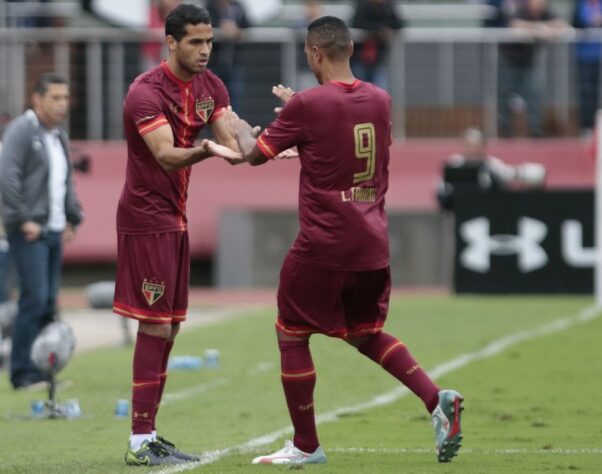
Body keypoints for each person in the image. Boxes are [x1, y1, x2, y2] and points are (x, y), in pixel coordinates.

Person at [204, 16, 464, 465]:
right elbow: (336, 129)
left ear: (314, 54)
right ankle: (435, 398)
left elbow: (252, 155)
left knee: (291, 332)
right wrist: (299, 111)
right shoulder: (380, 100)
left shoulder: (309, 105)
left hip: (324, 243)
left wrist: (237, 123)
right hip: (372, 242)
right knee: (365, 333)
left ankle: (306, 446)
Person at [113, 4, 242, 466]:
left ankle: (149, 434)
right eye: (195, 42)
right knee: (155, 325)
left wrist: (275, 142)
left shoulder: (212, 86)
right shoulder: (144, 92)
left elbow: (234, 138)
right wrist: (210, 150)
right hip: (147, 218)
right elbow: (166, 155)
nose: (205, 50)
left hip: (175, 217)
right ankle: (138, 442)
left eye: (209, 41)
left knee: (169, 331)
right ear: (171, 43)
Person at [0, 73, 84, 390]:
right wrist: (23, 220)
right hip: (30, 230)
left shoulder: (57, 136)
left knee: (48, 302)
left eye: (65, 98)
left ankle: (44, 371)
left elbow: (65, 181)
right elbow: (7, 177)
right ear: (37, 99)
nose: (62, 104)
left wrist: (72, 218)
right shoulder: (22, 130)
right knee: (33, 300)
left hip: (53, 228)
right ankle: (22, 372)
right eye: (56, 98)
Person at [496, 0, 569, 138]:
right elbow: (515, 26)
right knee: (505, 94)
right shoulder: (520, 10)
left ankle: (535, 129)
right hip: (509, 60)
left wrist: (542, 28)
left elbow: (563, 25)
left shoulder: (546, 12)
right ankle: (504, 129)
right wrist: (538, 29)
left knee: (534, 93)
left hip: (529, 61)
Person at [205, 0, 251, 116]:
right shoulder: (209, 6)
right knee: (209, 100)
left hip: (233, 63)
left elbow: (248, 27)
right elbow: (204, 24)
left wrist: (238, 32)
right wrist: (220, 26)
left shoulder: (238, 7)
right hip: (213, 64)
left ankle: (233, 130)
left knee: (234, 100)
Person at [572, 0, 602, 136]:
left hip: (599, 54)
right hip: (583, 54)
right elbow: (577, 22)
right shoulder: (580, 4)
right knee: (585, 91)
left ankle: (597, 126)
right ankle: (586, 125)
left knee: (597, 92)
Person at [350, 0, 404, 91]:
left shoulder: (388, 7)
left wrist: (385, 30)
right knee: (359, 92)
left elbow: (399, 24)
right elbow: (357, 23)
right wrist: (378, 31)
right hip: (359, 58)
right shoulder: (362, 5)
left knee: (380, 90)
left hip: (379, 59)